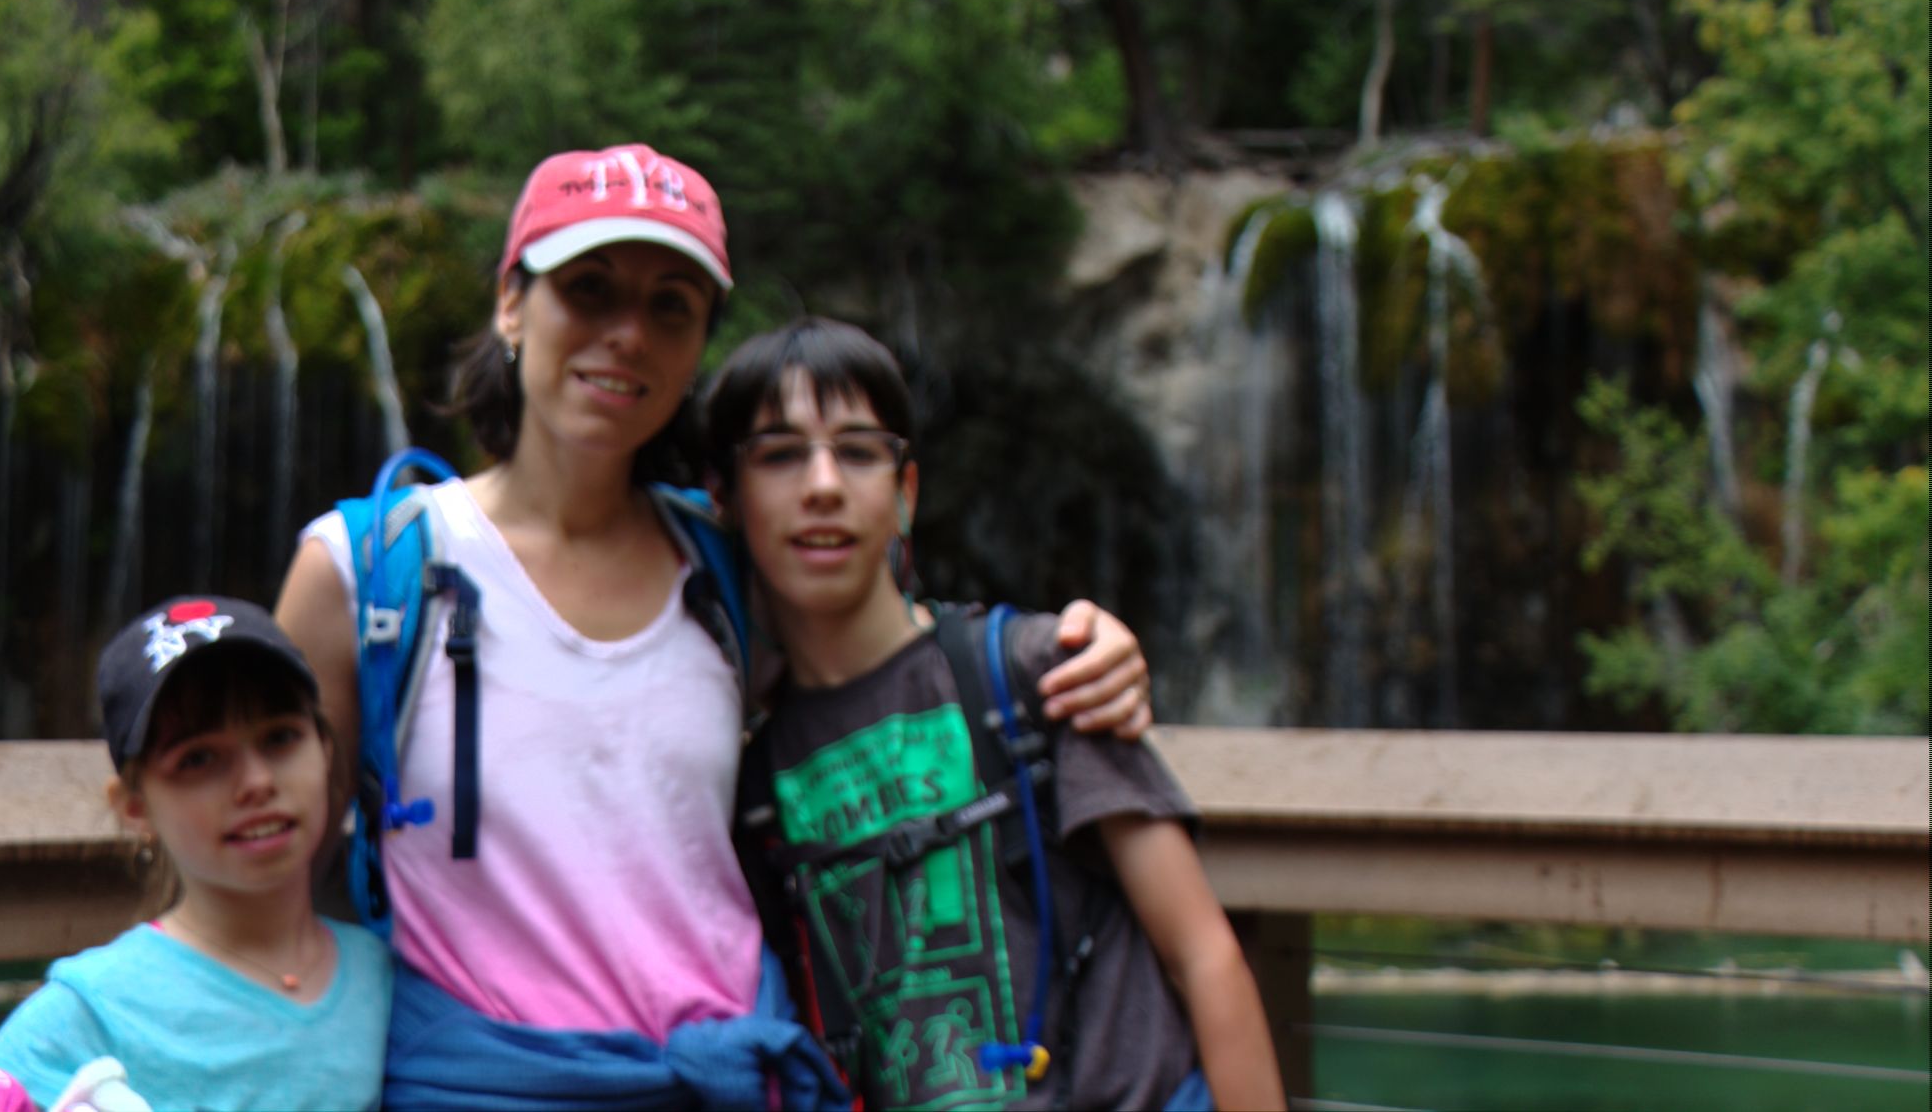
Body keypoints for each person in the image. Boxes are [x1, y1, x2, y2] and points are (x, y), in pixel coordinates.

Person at [273, 143, 1155, 1108]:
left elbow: (893, 644)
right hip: (482, 1083)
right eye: (590, 289)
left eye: (669, 307)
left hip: (728, 1076)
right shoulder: (367, 575)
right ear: (512, 304)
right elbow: (263, 877)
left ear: (697, 345)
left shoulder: (725, 562)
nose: (627, 335)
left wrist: (1070, 645)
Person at [703, 316, 1287, 1111]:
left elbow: (1203, 955)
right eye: (778, 455)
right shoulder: (756, 784)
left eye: (858, 450)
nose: (822, 486)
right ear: (726, 501)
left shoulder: (1030, 671)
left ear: (904, 494)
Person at [0, 596, 393, 1112]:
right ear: (134, 806)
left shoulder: (385, 977)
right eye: (198, 758)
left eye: (280, 738)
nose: (257, 782)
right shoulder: (90, 1012)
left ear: (327, 751)